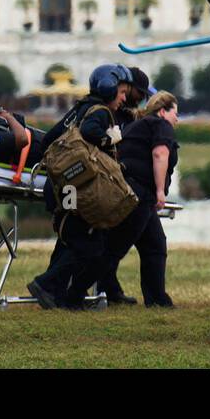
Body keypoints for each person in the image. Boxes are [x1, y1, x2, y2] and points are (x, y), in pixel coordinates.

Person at [27, 63, 132, 311]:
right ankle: (47, 285)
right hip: (78, 191)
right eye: (122, 92)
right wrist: (111, 140)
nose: (124, 98)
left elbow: (49, 139)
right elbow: (90, 131)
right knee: (90, 248)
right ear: (109, 89)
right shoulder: (100, 113)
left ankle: (62, 296)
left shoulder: (79, 109)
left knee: (71, 242)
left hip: (63, 189)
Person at [101, 91, 180, 308]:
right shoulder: (160, 125)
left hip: (129, 191)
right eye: (175, 113)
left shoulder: (139, 125)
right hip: (140, 194)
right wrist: (160, 191)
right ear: (163, 111)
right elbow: (160, 155)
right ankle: (72, 293)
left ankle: (157, 299)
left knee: (154, 245)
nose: (177, 119)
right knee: (115, 247)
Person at [95, 67, 154, 305]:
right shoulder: (107, 114)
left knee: (152, 243)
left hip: (131, 188)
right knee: (118, 243)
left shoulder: (123, 114)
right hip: (120, 186)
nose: (141, 98)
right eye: (139, 93)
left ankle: (115, 289)